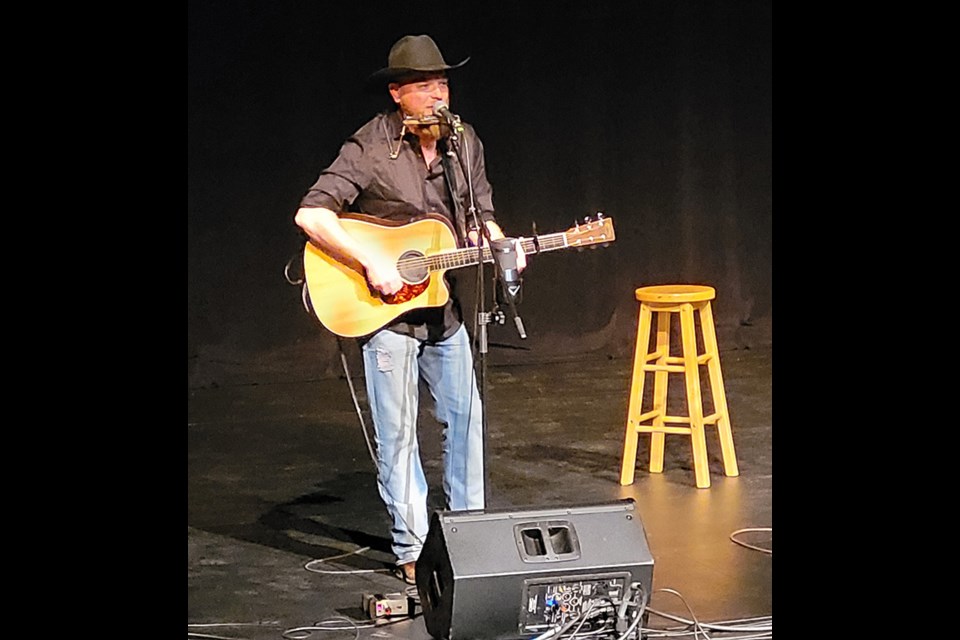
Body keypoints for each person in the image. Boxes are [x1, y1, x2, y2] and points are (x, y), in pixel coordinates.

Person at [293, 34, 525, 586]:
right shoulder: (370, 147)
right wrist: (372, 261)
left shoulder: (463, 145)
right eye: (424, 87)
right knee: (398, 437)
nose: (437, 96)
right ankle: (413, 549)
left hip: (442, 311)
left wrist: (500, 245)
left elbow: (479, 218)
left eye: (442, 84)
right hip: (385, 317)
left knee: (466, 419)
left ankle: (471, 534)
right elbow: (312, 215)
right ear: (398, 93)